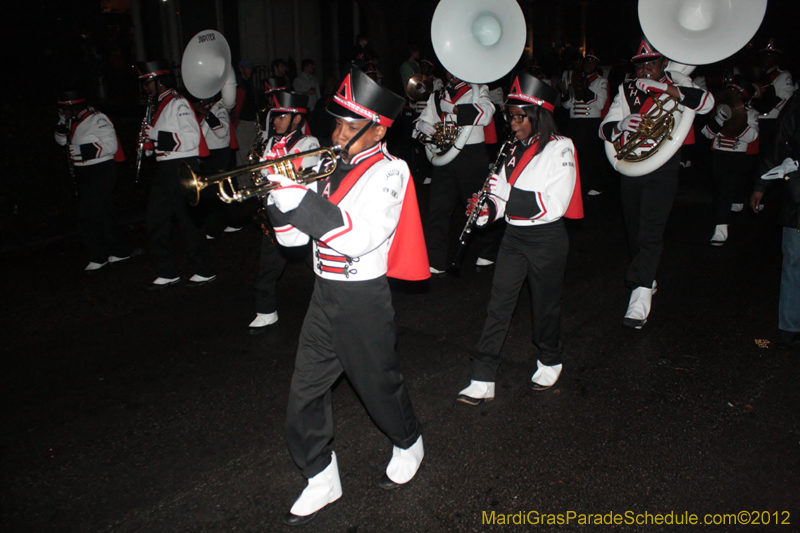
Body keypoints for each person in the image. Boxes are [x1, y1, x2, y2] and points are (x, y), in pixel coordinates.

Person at [265, 67, 429, 526]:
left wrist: (300, 201)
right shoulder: (325, 165)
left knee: (378, 387)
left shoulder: (391, 172)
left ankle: (409, 440)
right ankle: (320, 475)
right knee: (304, 391)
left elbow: (360, 237)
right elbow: (295, 242)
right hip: (324, 295)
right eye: (336, 123)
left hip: (362, 300)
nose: (336, 134)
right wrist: (278, 200)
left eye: (348, 126)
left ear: (378, 130)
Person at [456, 72, 583, 404]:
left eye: (519, 117)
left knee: (545, 305)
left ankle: (550, 358)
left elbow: (554, 204)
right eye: (510, 117)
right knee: (498, 304)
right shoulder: (510, 148)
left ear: (538, 115)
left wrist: (507, 193)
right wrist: (486, 211)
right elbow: (500, 199)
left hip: (546, 238)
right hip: (514, 237)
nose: (512, 124)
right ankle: (483, 375)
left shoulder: (561, 147)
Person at [599, 38, 713, 328]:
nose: (645, 69)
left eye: (651, 62)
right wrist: (620, 126)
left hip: (663, 166)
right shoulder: (626, 90)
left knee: (650, 230)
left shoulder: (678, 85)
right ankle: (646, 278)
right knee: (633, 229)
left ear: (663, 63)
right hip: (631, 165)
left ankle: (639, 295)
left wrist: (664, 89)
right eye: (640, 65)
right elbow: (603, 128)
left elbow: (706, 104)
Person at [135, 60, 216, 290]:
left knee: (188, 221)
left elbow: (191, 138)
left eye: (147, 83)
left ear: (158, 81)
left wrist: (155, 135)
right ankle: (167, 272)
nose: (145, 88)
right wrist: (148, 146)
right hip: (164, 168)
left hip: (182, 167)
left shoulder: (178, 102)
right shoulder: (159, 105)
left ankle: (204, 270)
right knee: (155, 220)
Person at [248, 91, 320, 335]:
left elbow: (306, 178)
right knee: (268, 264)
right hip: (275, 213)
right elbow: (263, 172)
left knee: (317, 262)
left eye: (281, 116)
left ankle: (336, 304)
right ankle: (265, 311)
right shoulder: (270, 142)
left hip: (300, 214)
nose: (275, 121)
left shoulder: (308, 143)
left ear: (296, 119)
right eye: (274, 116)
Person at [414, 70, 497, 273]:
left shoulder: (478, 90)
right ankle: (435, 260)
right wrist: (422, 125)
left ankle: (487, 252)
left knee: (476, 206)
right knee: (438, 209)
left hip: (471, 156)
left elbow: (486, 114)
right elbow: (420, 121)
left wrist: (454, 109)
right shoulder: (437, 95)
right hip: (444, 156)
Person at [54, 88, 132, 274]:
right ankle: (119, 251)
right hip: (85, 172)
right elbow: (60, 141)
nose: (61, 112)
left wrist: (82, 151)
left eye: (63, 109)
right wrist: (62, 122)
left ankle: (97, 256)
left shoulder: (97, 118)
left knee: (87, 215)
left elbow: (111, 146)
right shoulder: (72, 119)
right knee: (105, 213)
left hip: (101, 171)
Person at [750, 87, 800, 350]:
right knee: (794, 260)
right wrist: (761, 184)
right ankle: (790, 326)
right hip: (798, 194)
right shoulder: (797, 103)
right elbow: (781, 142)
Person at [700, 75, 759, 246]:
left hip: (737, 156)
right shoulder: (720, 110)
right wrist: (719, 119)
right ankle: (728, 212)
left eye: (736, 93)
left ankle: (721, 227)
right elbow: (706, 133)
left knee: (727, 189)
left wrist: (737, 119)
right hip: (719, 155)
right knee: (721, 189)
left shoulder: (751, 113)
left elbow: (752, 136)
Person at [560, 50, 609, 196]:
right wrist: (565, 94)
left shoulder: (601, 81)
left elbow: (600, 104)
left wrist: (584, 88)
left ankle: (596, 185)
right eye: (586, 61)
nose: (588, 64)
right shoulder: (576, 78)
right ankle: (578, 184)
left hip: (590, 123)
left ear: (597, 65)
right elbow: (568, 105)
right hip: (575, 123)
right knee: (575, 154)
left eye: (592, 62)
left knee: (591, 156)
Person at [232, 59, 261, 167]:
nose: (250, 70)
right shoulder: (237, 84)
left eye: (250, 68)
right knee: (242, 153)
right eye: (248, 68)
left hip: (251, 121)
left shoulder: (249, 83)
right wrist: (235, 121)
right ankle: (243, 177)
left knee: (251, 151)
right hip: (242, 122)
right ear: (241, 69)